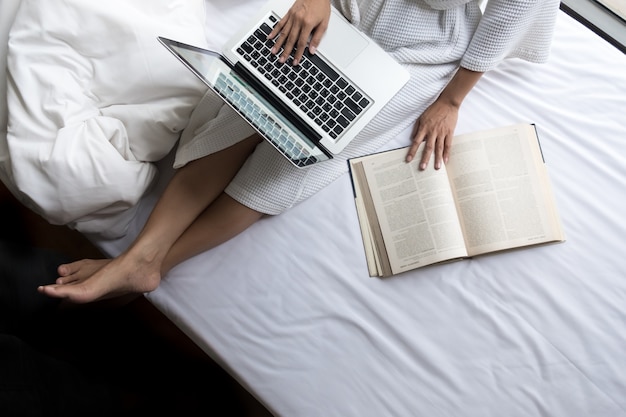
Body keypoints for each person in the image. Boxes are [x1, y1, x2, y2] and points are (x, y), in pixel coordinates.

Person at [37, 0, 560, 303]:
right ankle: (139, 256)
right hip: (348, 8)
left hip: (421, 50)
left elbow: (516, 10)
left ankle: (152, 264)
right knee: (249, 110)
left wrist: (451, 99)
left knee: (297, 154)